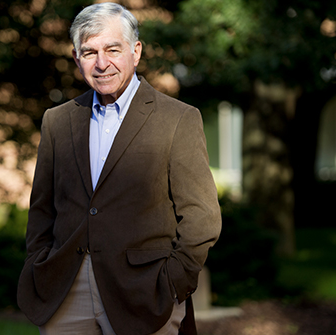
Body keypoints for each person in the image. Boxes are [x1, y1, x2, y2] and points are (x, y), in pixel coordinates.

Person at [17, 3, 221, 335]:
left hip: (144, 291)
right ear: (76, 58)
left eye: (113, 49)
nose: (101, 64)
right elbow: (42, 208)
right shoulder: (58, 121)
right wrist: (38, 262)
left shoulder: (177, 119)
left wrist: (174, 281)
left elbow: (202, 217)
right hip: (66, 289)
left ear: (135, 51)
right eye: (89, 52)